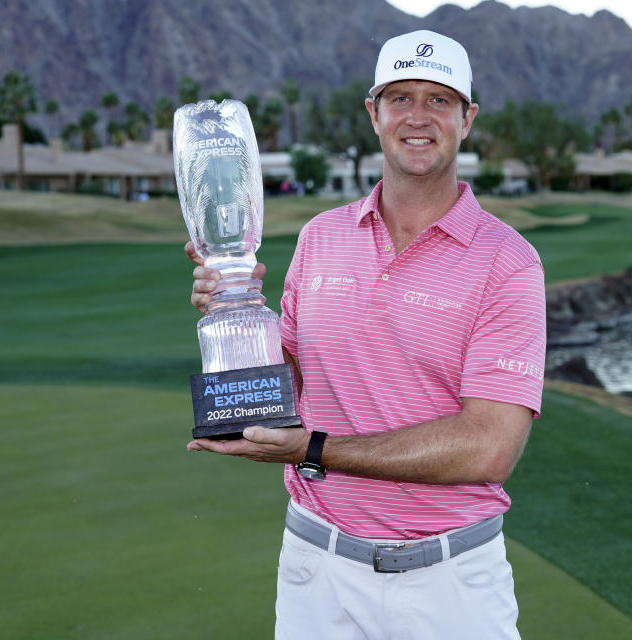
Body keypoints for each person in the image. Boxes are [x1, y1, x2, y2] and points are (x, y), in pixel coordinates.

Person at [185, 29, 546, 639]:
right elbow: (290, 383)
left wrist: (314, 450)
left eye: (439, 100)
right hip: (315, 571)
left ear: (468, 119)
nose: (418, 117)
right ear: (373, 113)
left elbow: (490, 447)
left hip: (450, 583)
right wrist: (235, 310)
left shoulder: (508, 261)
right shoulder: (320, 237)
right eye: (400, 97)